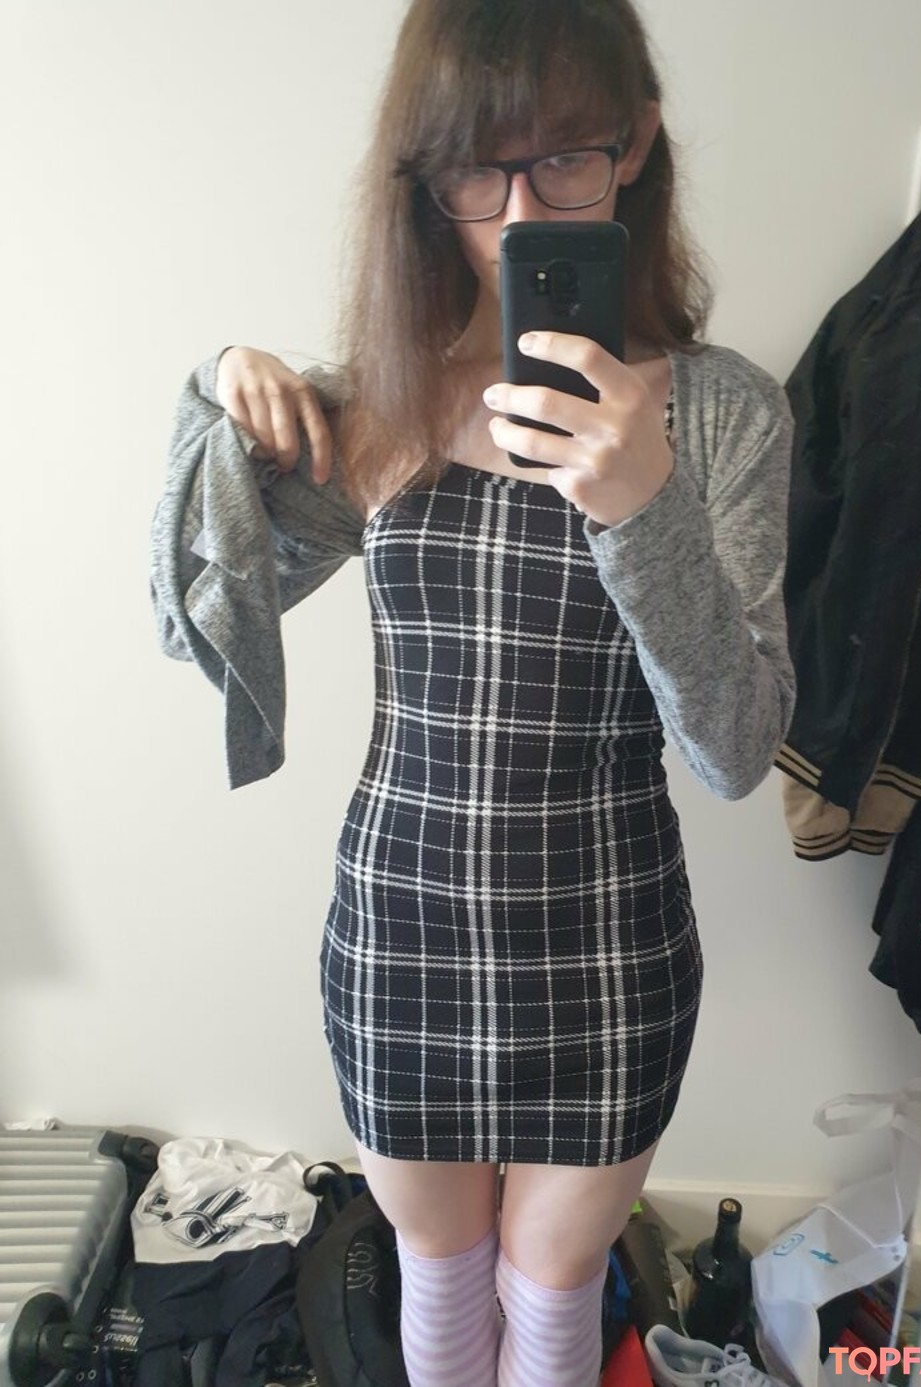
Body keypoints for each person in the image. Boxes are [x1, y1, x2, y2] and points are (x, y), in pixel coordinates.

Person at [152, 2, 796, 1384]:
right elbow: (191, 624)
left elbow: (740, 749)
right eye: (473, 172)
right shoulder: (380, 402)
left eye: (563, 159)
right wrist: (212, 402)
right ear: (420, 179)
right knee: (439, 1279)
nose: (514, 217)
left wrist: (642, 506)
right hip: (404, 924)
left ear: (637, 145)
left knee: (553, 1293)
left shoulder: (722, 414)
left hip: (610, 935)